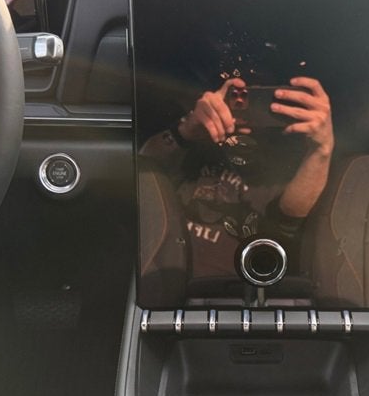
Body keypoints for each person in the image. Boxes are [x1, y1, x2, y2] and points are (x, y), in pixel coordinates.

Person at [138, 76, 333, 291]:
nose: (245, 105)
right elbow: (145, 172)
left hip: (234, 294)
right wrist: (185, 130)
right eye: (238, 96)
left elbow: (290, 217)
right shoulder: (197, 142)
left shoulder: (285, 164)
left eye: (263, 100)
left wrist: (321, 150)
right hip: (154, 276)